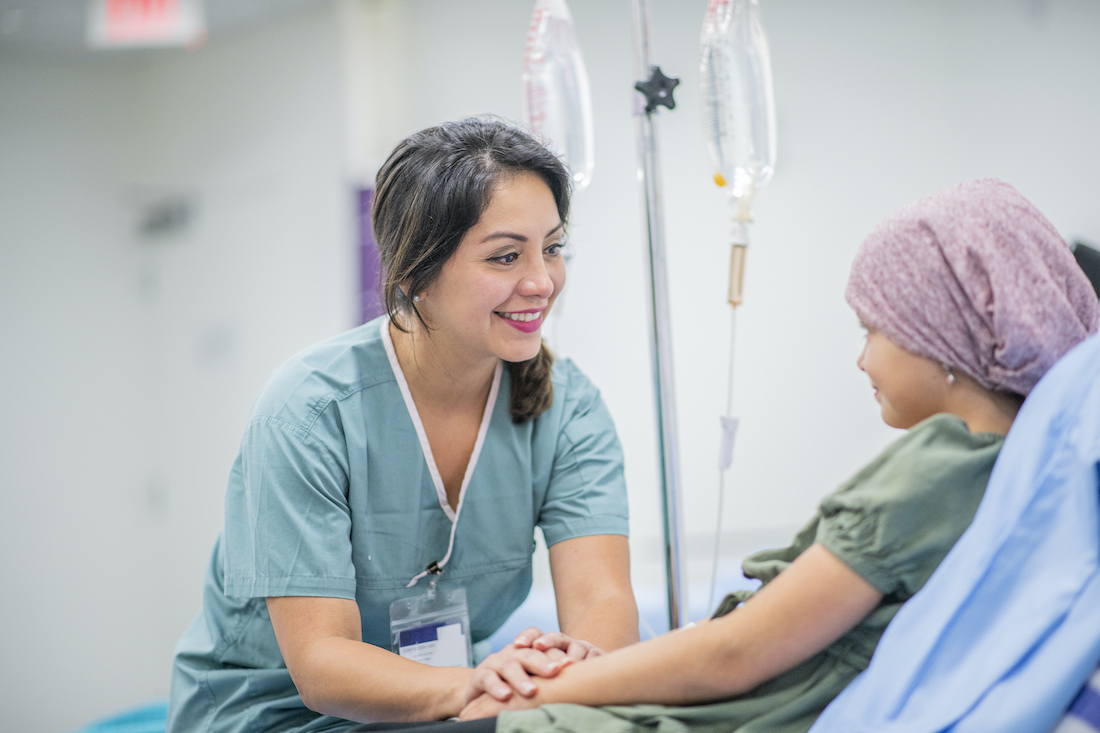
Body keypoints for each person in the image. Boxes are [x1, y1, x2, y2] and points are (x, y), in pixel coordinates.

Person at [457, 178, 1100, 733]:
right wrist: (609, 666)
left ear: (943, 334)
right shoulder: (1028, 478)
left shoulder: (943, 465)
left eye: (871, 330)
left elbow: (733, 654)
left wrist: (527, 691)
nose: (861, 358)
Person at [167, 118, 640, 733]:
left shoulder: (566, 407)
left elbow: (602, 599)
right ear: (416, 274)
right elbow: (321, 665)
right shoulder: (311, 412)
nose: (542, 282)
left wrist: (578, 667)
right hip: (274, 716)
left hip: (446, 707)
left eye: (552, 248)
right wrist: (474, 682)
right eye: (505, 256)